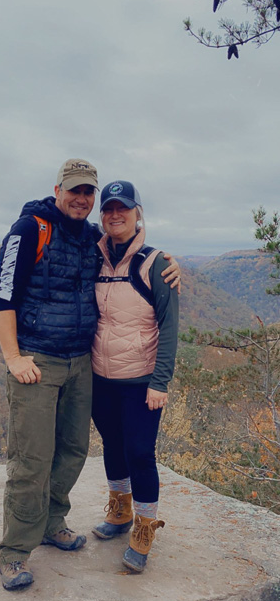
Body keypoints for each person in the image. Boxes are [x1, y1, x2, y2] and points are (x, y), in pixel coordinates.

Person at [0, 161, 180, 591]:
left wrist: (171, 266)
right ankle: (14, 552)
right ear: (57, 189)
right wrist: (13, 357)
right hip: (39, 360)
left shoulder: (91, 240)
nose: (83, 200)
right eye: (75, 191)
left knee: (74, 449)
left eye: (88, 194)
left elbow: (149, 284)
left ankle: (52, 522)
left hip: (83, 363)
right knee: (32, 459)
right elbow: (2, 295)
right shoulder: (29, 229)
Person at [91, 180, 179, 573]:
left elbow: (170, 326)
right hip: (100, 377)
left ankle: (144, 529)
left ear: (137, 212)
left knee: (140, 453)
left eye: (123, 208)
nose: (114, 214)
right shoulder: (94, 257)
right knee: (112, 444)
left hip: (141, 379)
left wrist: (160, 381)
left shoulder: (154, 262)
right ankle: (120, 511)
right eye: (108, 208)